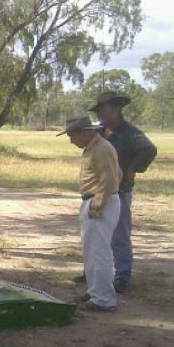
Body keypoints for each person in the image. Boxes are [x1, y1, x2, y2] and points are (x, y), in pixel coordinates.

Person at [90, 91, 157, 292]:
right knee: (96, 233)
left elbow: (149, 150)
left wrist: (132, 169)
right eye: (98, 110)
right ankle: (93, 273)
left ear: (116, 110)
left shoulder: (130, 133)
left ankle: (123, 276)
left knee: (119, 234)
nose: (100, 113)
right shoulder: (99, 132)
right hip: (98, 189)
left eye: (103, 110)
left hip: (120, 191)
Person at [59, 116, 122, 311]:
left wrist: (97, 204)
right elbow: (117, 173)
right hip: (97, 201)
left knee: (99, 253)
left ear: (84, 132)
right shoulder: (94, 147)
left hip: (100, 202)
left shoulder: (101, 149)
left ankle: (103, 299)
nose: (71, 140)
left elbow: (110, 179)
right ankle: (96, 291)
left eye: (72, 135)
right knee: (93, 252)